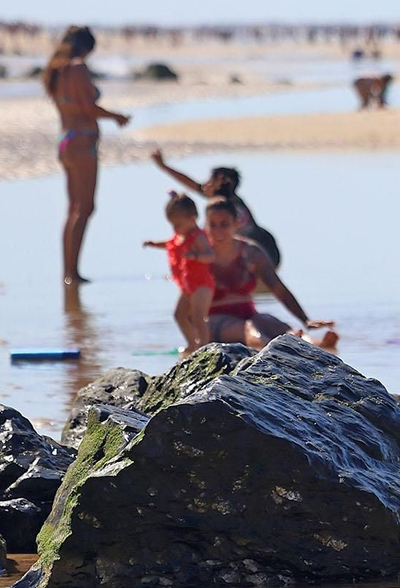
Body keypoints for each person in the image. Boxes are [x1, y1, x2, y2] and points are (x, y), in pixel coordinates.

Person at [43, 25, 130, 284]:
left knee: (73, 209)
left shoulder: (55, 70)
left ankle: (68, 272)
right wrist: (117, 117)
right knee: (86, 208)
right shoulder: (78, 68)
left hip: (65, 140)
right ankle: (72, 272)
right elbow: (88, 108)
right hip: (83, 141)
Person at [204, 197, 339, 350]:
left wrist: (305, 320)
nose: (218, 231)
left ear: (236, 223)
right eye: (212, 225)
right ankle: (273, 352)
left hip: (250, 314)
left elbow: (278, 288)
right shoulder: (201, 254)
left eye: (224, 224)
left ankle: (316, 345)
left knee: (279, 327)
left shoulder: (251, 252)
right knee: (250, 329)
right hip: (215, 321)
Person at [151, 149, 282, 267]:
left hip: (259, 255)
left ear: (220, 183)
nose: (205, 185)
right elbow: (193, 185)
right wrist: (164, 167)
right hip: (268, 254)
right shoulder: (226, 200)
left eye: (209, 181)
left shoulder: (224, 208)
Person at [142, 192, 214, 355]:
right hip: (187, 285)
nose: (175, 229)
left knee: (198, 318)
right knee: (179, 315)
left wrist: (195, 256)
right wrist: (154, 244)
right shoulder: (180, 235)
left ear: (193, 218)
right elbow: (170, 244)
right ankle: (191, 343)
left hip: (201, 284)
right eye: (172, 225)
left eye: (178, 225)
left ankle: (204, 347)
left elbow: (210, 256)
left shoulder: (198, 237)